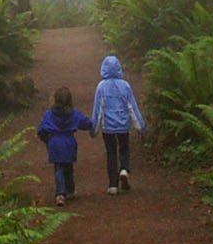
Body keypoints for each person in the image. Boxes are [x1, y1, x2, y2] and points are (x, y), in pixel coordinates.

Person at [92, 56, 145, 195]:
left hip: (108, 127)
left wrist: (94, 129)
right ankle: (124, 169)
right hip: (123, 125)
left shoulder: (101, 87)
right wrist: (140, 126)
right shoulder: (125, 85)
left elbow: (98, 110)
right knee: (124, 148)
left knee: (111, 153)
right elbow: (132, 107)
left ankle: (113, 185)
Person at [37, 86, 94, 206]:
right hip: (69, 142)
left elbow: (41, 130)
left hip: (54, 143)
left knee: (58, 168)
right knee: (68, 167)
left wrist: (46, 140)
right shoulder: (73, 114)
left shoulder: (49, 114)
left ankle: (60, 194)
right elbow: (87, 123)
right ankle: (70, 190)